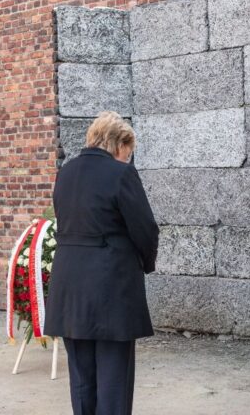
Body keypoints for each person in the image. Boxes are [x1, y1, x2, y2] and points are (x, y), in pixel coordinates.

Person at [45, 111, 159, 415]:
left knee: (82, 379)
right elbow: (145, 228)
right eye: (128, 152)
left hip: (69, 285)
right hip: (112, 287)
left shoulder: (65, 173)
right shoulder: (121, 174)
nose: (128, 158)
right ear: (117, 143)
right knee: (113, 380)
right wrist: (146, 263)